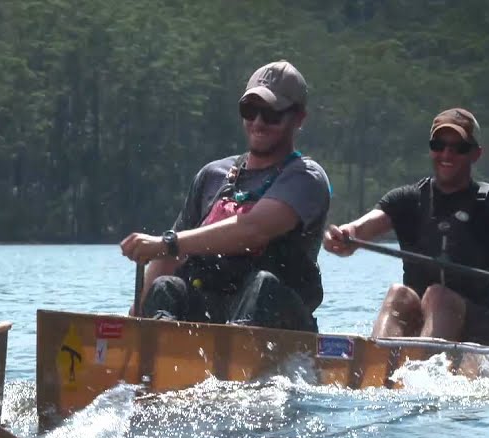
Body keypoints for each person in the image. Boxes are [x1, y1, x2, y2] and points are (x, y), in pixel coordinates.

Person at [118, 60, 331, 332]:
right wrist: (133, 319)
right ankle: (158, 352)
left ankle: (235, 362)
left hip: (277, 318)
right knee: (165, 288)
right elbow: (169, 257)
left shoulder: (306, 178)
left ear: (299, 118)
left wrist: (166, 243)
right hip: (213, 310)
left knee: (263, 286)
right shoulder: (212, 175)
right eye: (250, 110)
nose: (258, 122)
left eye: (271, 114)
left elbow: (252, 230)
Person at [322, 108, 489, 346]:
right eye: (439, 145)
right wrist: (344, 236)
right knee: (399, 294)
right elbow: (358, 229)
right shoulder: (407, 199)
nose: (447, 153)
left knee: (438, 296)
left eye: (459, 148)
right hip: (421, 324)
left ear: (475, 154)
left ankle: (418, 370)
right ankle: (377, 369)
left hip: (480, 332)